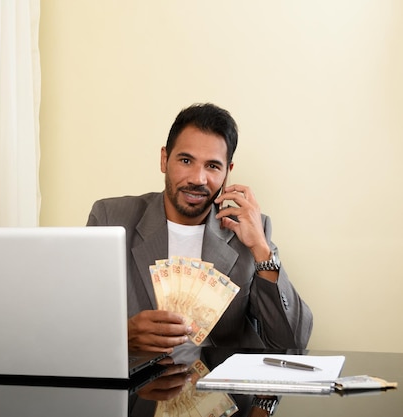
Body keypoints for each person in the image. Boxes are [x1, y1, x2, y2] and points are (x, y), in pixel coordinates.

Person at [87, 103, 313, 352]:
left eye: (213, 166)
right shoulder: (111, 219)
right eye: (186, 160)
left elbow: (291, 339)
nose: (198, 179)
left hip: (219, 384)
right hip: (138, 385)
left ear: (228, 172)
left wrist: (261, 249)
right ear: (164, 159)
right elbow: (75, 320)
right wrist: (124, 334)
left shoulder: (248, 232)